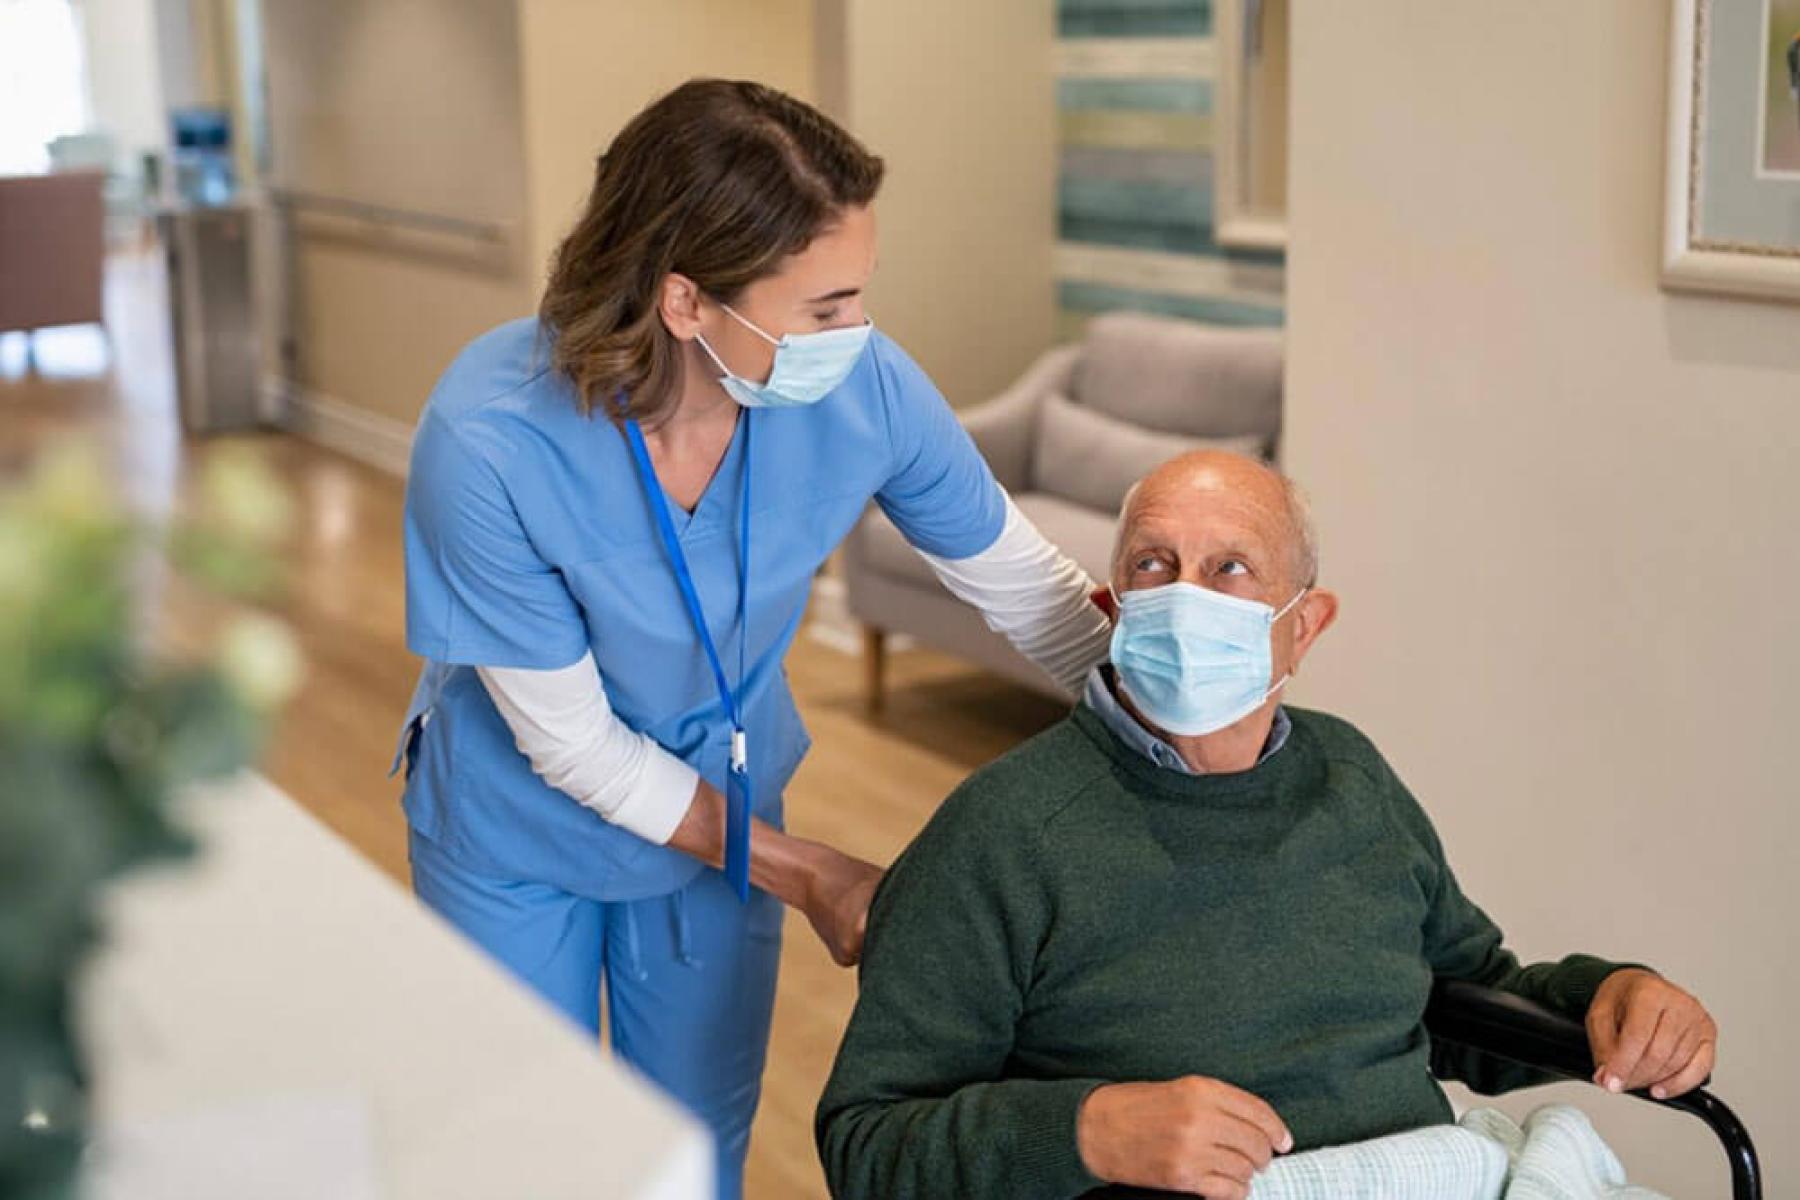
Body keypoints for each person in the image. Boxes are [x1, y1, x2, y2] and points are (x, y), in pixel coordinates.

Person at [392, 80, 1112, 1197]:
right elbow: (574, 748)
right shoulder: (491, 440)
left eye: (860, 294)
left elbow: (1031, 593)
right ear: (686, 301)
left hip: (719, 790)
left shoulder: (863, 386)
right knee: (522, 1152)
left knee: (693, 1147)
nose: (855, 334)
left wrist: (1178, 718)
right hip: (518, 825)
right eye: (825, 307)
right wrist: (803, 868)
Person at [815, 450, 1719, 1200]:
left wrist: (1610, 999)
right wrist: (1085, 1131)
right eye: (1153, 565)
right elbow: (868, 1142)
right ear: (1113, 611)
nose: (1187, 597)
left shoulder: (1352, 777)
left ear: (1305, 627)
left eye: (1230, 569)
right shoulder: (1002, 832)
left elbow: (1465, 998)